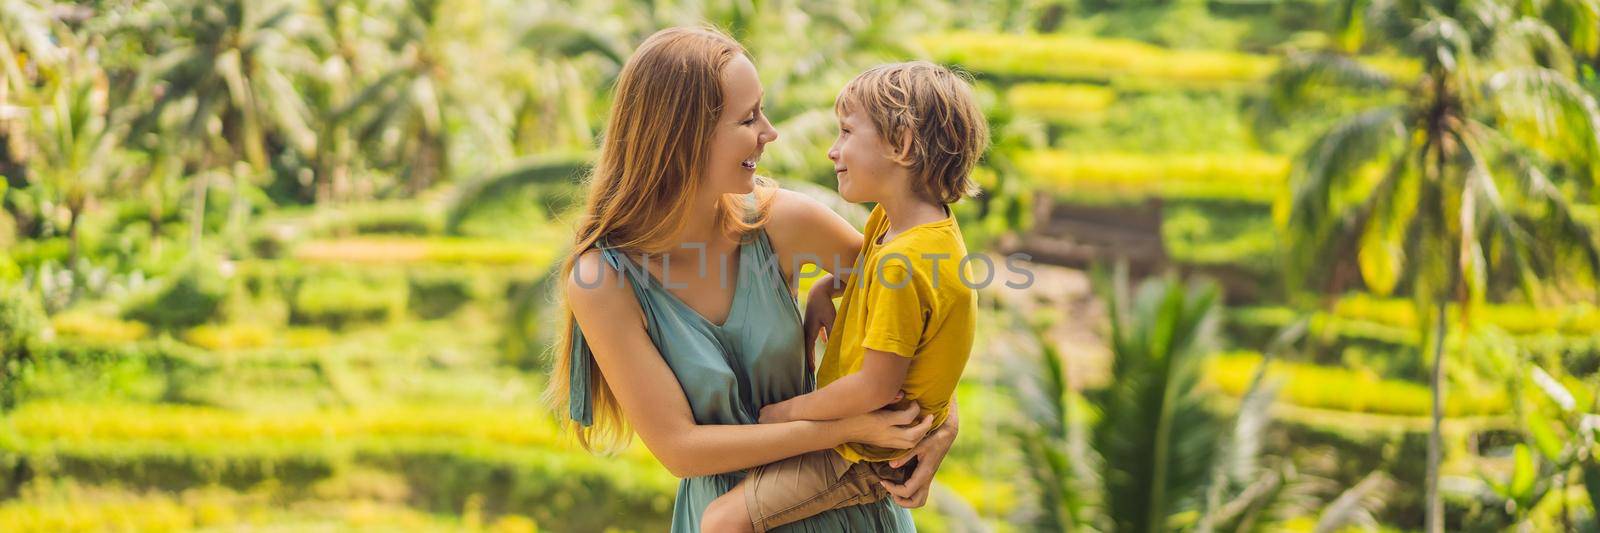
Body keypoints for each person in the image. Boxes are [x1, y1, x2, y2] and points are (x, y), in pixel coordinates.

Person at [545, 27, 959, 532]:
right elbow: (682, 449)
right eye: (748, 118)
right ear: (682, 136)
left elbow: (924, 315)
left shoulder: (786, 223)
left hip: (848, 516)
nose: (770, 131)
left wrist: (942, 424)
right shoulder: (602, 280)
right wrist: (844, 429)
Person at [699, 61, 988, 533]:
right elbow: (872, 281)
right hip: (862, 433)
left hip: (865, 452)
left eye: (847, 132)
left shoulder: (906, 260)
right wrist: (823, 289)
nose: (833, 150)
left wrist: (781, 413)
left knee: (720, 523)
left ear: (903, 144)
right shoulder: (902, 224)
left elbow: (874, 388)